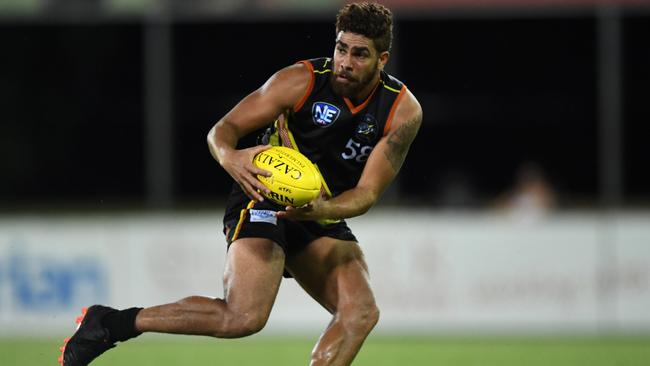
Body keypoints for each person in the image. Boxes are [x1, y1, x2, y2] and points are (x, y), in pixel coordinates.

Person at [59, 2, 422, 365]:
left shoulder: (401, 111)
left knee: (359, 312)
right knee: (243, 317)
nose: (345, 61)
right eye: (341, 48)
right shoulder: (301, 80)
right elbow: (222, 131)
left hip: (319, 211)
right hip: (262, 197)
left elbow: (366, 194)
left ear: (382, 59)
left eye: (360, 54)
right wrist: (231, 158)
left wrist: (321, 210)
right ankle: (111, 323)